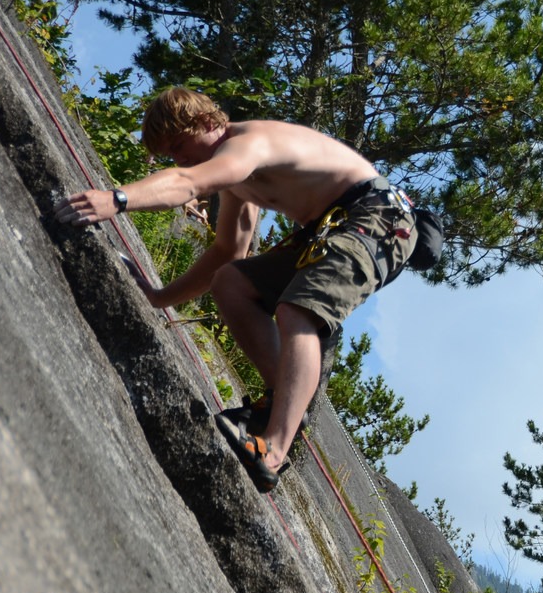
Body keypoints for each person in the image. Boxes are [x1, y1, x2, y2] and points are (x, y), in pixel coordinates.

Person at [57, 86, 418, 491]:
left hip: (379, 218)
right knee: (231, 282)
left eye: (180, 144)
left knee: (296, 311)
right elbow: (228, 249)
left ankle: (275, 448)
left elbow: (187, 183)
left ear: (208, 122)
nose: (181, 158)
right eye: (171, 154)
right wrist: (158, 298)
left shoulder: (249, 145)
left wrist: (117, 199)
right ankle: (279, 406)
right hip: (331, 227)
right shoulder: (236, 179)